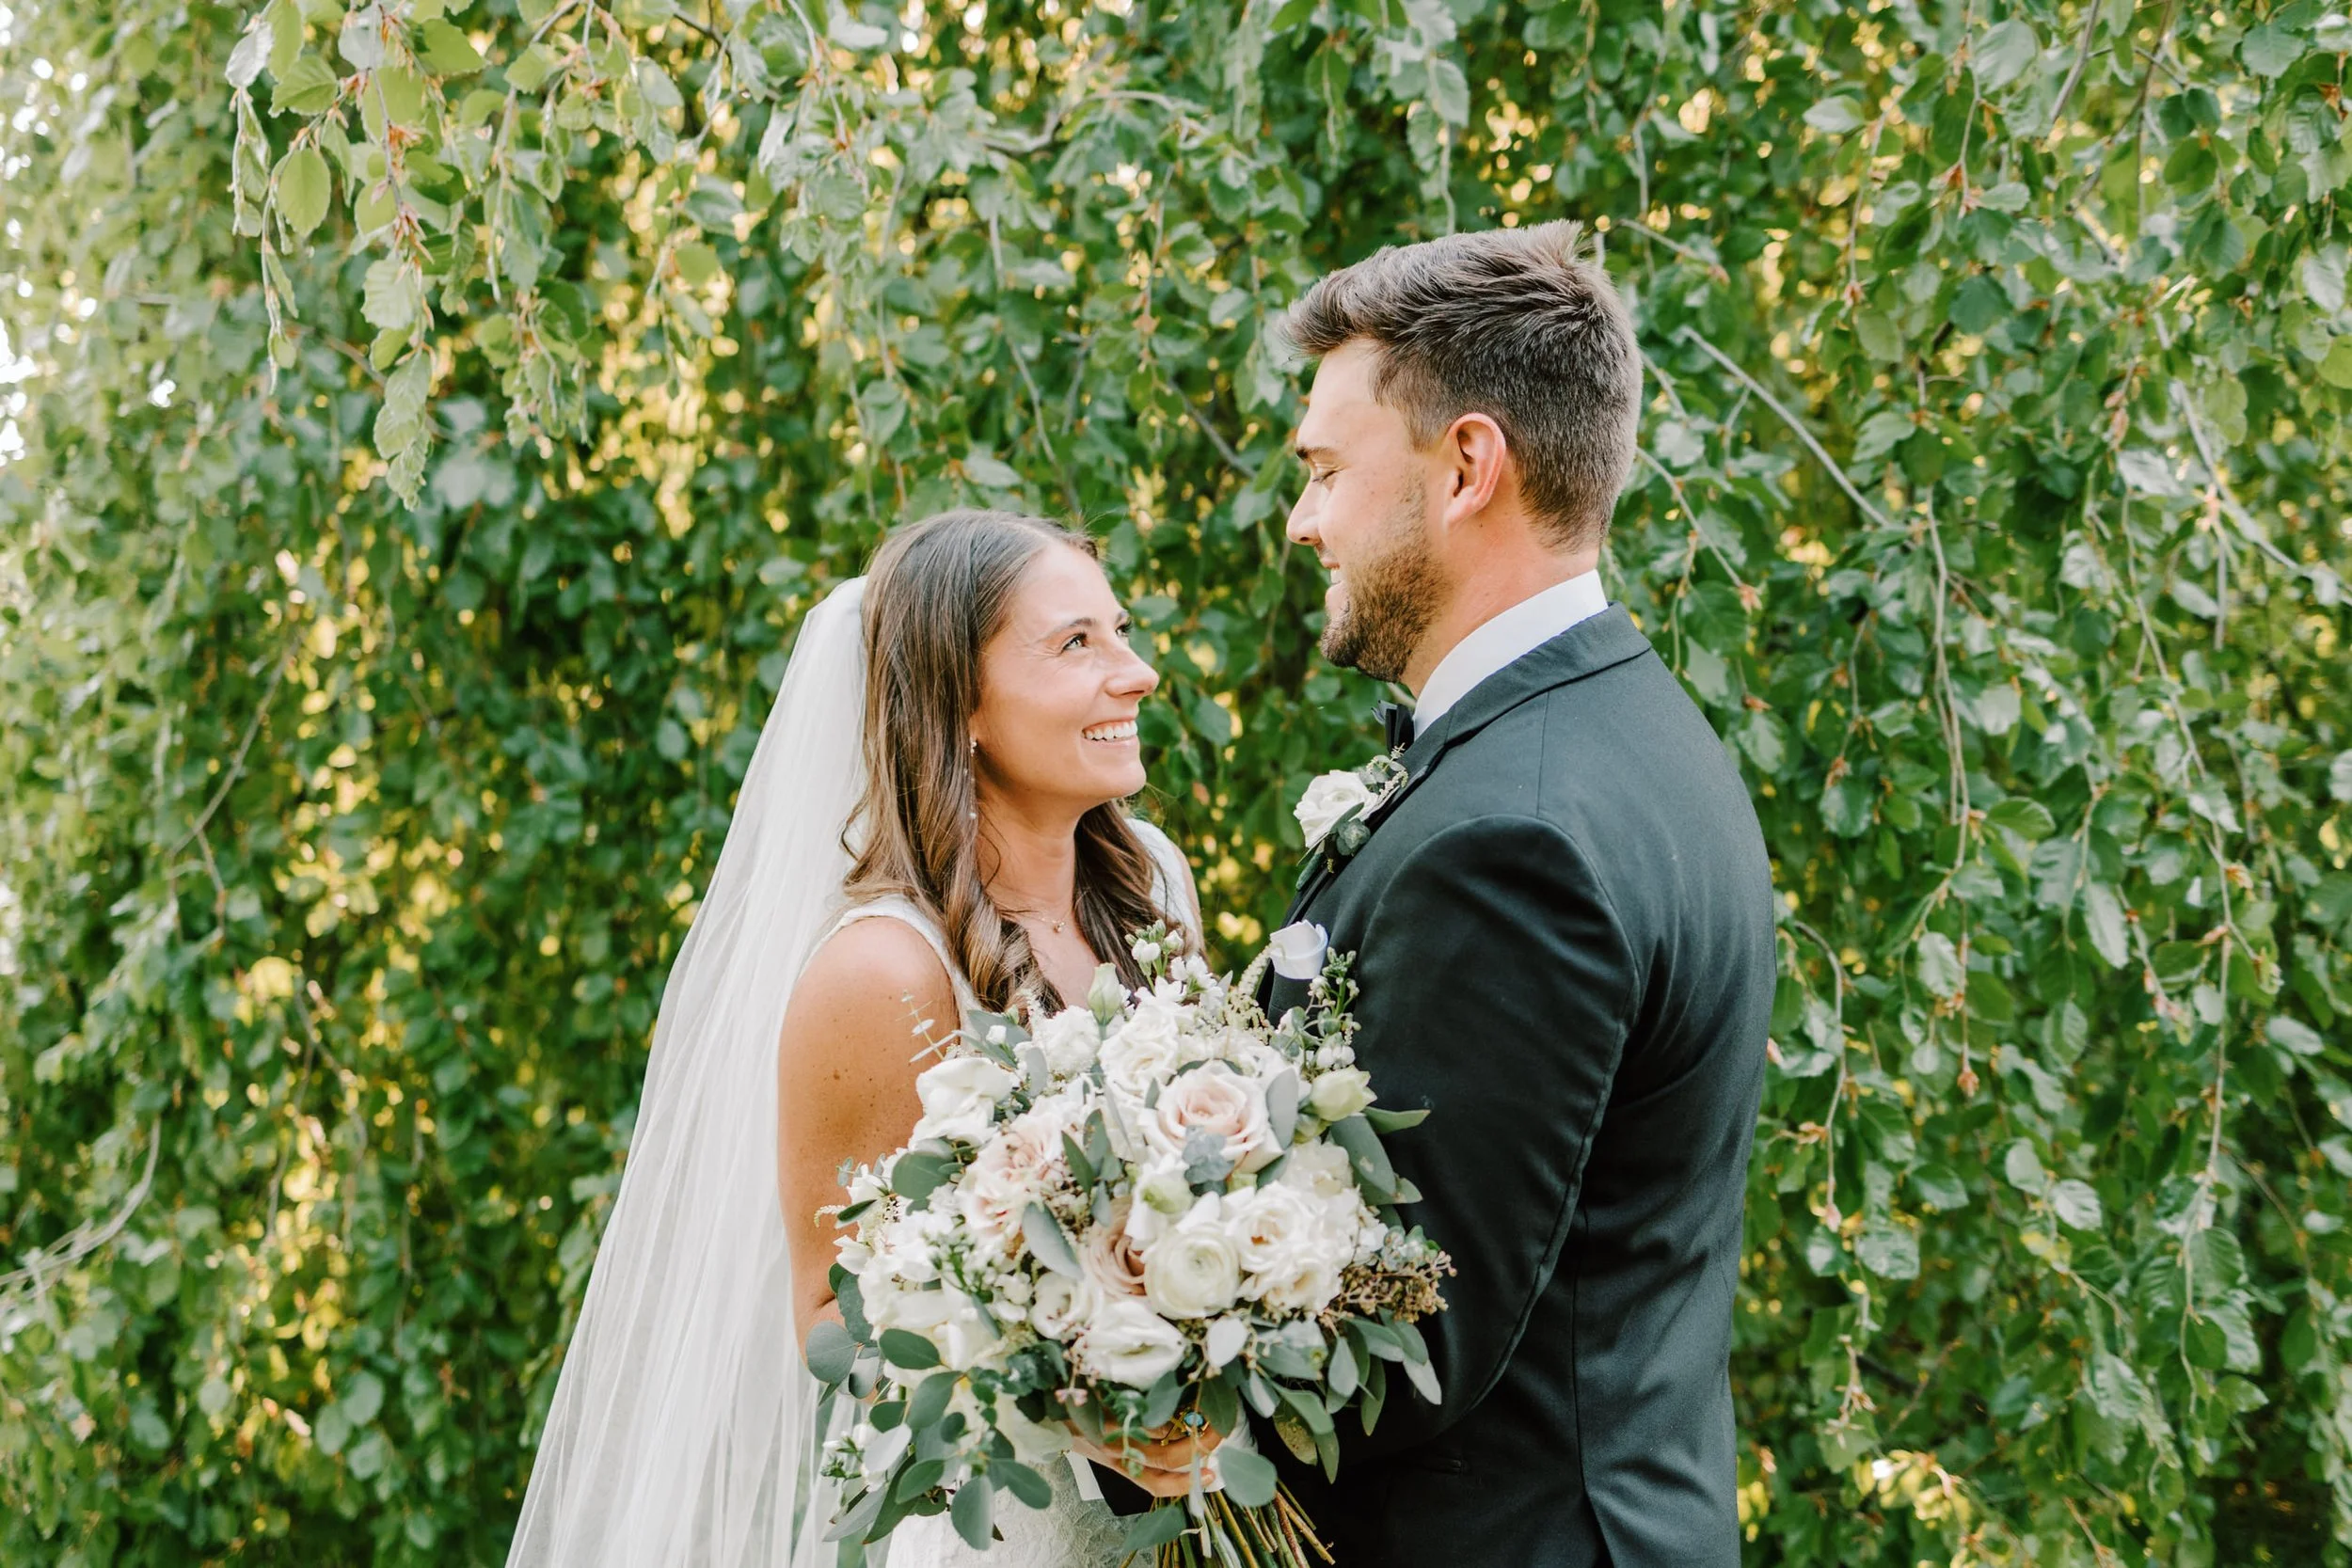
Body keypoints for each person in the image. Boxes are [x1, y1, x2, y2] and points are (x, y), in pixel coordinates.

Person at [506, 510, 1208, 1568]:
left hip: (1200, 1509)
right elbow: (840, 1330)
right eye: (1078, 643)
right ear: (958, 701)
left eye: (1120, 630)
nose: (1138, 671)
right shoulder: (881, 972)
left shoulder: (1149, 886)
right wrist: (1090, 1397)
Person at [1257, 220, 1775, 1566]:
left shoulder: (1517, 833)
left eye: (1323, 470)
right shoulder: (1629, 734)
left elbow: (1410, 1339)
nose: (1305, 518)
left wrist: (1085, 1355)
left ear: (1469, 464)